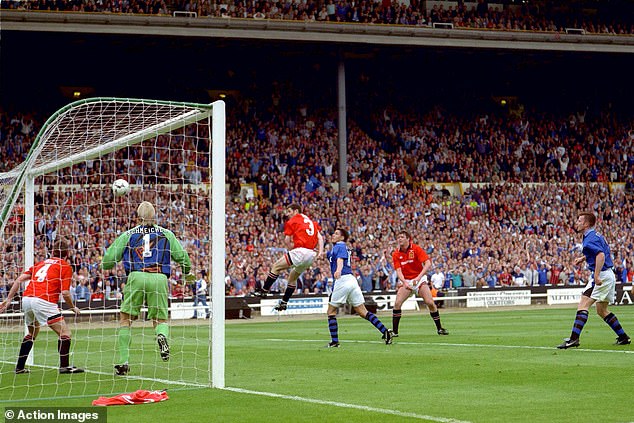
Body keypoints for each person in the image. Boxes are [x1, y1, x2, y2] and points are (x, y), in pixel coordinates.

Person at [102, 201, 193, 376]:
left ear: (137, 218)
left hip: (136, 276)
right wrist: (186, 272)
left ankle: (123, 362)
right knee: (160, 320)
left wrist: (114, 261)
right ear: (155, 217)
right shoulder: (167, 234)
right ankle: (162, 337)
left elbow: (107, 261)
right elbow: (183, 258)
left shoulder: (128, 235)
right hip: (159, 278)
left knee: (125, 319)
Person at [0, 237, 84, 374]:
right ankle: (64, 367)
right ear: (67, 253)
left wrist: (9, 299)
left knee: (32, 333)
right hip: (44, 300)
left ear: (52, 251)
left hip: (27, 299)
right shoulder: (65, 266)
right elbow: (65, 292)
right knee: (65, 333)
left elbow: (19, 279)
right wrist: (72, 307)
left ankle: (20, 367)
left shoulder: (40, 263)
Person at [557, 212, 630, 349]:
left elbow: (601, 255)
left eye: (579, 221)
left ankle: (574, 339)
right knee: (601, 310)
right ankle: (623, 337)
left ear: (586, 224)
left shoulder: (589, 238)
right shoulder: (595, 235)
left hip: (601, 275)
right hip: (608, 275)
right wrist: (583, 258)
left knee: (583, 304)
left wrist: (596, 276)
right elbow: (600, 251)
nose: (577, 223)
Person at [325, 228, 392, 347]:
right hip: (351, 280)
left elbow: (340, 260)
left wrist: (338, 270)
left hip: (342, 280)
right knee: (363, 312)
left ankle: (335, 342)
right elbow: (330, 256)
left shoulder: (340, 246)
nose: (333, 235)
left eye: (336, 234)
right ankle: (385, 331)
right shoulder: (336, 248)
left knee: (331, 312)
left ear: (342, 238)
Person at [255, 204, 324, 311]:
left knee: (276, 267)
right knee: (292, 277)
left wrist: (291, 249)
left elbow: (287, 240)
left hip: (300, 251)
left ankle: (264, 290)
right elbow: (320, 238)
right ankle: (284, 302)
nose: (287, 214)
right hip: (311, 255)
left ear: (296, 211)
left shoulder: (293, 221)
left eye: (289, 211)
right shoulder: (311, 222)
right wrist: (320, 252)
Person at [391, 231, 448, 337]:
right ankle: (395, 332)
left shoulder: (416, 249)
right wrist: (404, 282)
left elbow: (427, 263)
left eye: (402, 237)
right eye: (398, 237)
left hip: (419, 279)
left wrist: (418, 278)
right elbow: (398, 271)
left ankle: (439, 328)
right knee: (397, 303)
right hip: (406, 280)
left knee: (430, 302)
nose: (399, 239)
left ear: (408, 239)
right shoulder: (396, 254)